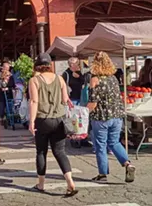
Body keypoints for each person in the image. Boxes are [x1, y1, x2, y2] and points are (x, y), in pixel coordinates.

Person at [28, 53, 77, 197]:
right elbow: (65, 98)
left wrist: (31, 121)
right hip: (59, 118)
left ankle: (41, 184)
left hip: (43, 119)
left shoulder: (34, 80)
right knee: (60, 152)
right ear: (50, 65)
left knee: (41, 152)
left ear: (37, 66)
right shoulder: (60, 78)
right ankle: (70, 181)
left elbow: (34, 101)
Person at [87, 51, 136, 183]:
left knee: (100, 145)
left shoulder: (95, 79)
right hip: (117, 116)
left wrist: (84, 111)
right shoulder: (113, 78)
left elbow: (93, 102)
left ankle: (102, 174)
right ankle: (127, 164)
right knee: (114, 142)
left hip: (101, 117)